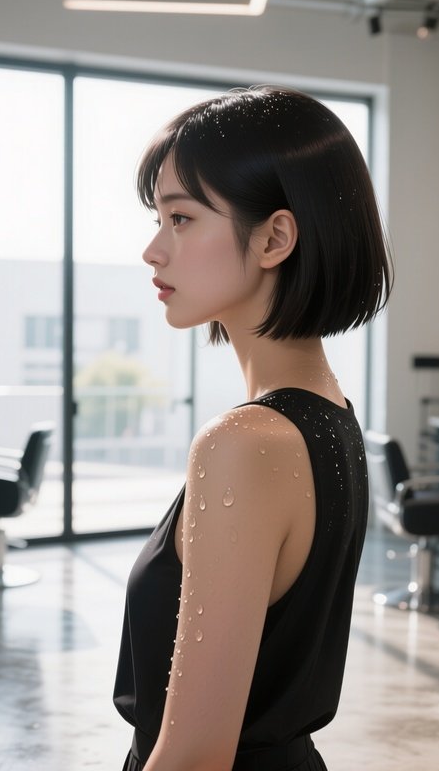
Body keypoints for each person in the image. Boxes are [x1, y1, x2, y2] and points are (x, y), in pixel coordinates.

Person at [113, 85, 393, 771]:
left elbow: (194, 756)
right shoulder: (330, 417)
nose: (154, 250)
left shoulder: (247, 444)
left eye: (180, 219)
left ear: (274, 237)